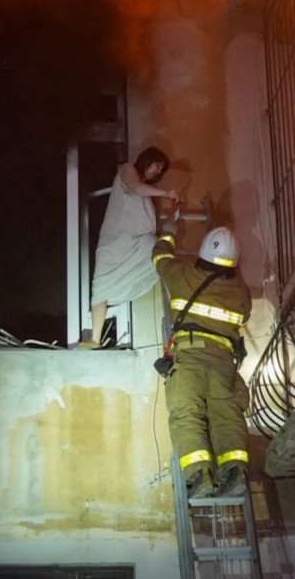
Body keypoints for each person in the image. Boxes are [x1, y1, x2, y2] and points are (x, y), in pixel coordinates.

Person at [153, 224, 252, 498]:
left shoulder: (182, 275)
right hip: (223, 363)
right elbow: (242, 318)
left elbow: (160, 257)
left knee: (186, 413)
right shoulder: (241, 293)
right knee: (226, 416)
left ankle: (200, 476)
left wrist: (169, 233)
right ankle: (234, 473)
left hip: (190, 356)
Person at [83, 146, 178, 349]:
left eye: (161, 170)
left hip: (139, 244)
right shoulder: (128, 171)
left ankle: (178, 295)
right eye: (157, 165)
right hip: (116, 244)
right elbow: (135, 187)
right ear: (148, 159)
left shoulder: (146, 194)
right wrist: (167, 193)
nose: (158, 172)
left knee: (159, 251)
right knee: (100, 288)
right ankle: (95, 340)